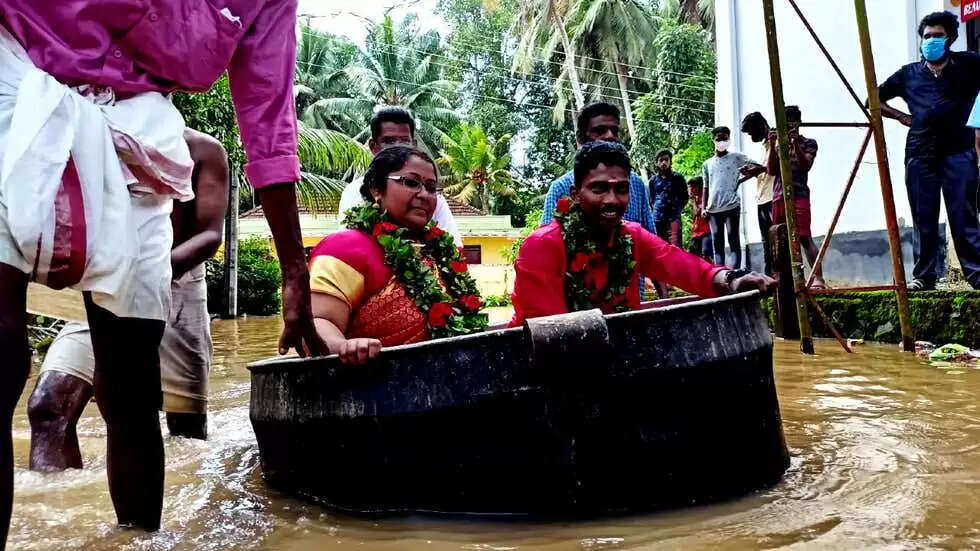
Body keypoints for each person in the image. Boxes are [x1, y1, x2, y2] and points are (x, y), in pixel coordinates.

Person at [0, 2, 323, 540]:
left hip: (141, 157)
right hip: (14, 82)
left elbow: (267, 123)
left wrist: (295, 270)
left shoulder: (200, 148)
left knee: (132, 388)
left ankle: (137, 539)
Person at [27, 129, 228, 472]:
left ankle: (166, 516)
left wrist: (147, 273)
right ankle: (60, 516)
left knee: (186, 434)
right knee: (48, 406)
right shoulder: (87, 132)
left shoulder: (202, 149)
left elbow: (210, 236)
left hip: (178, 290)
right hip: (102, 283)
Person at [510, 141, 775, 326]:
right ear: (576, 195)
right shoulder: (542, 246)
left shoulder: (630, 236)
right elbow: (555, 336)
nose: (612, 200)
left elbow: (683, 265)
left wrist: (731, 279)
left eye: (621, 189)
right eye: (599, 189)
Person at [310, 146, 486, 366]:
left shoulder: (441, 253)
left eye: (431, 188)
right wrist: (344, 346)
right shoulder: (345, 248)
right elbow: (316, 322)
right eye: (411, 183)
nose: (424, 195)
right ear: (377, 189)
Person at [878, 11, 980, 291]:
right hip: (920, 154)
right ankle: (925, 276)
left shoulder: (969, 65)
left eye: (937, 36)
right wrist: (900, 116)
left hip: (959, 151)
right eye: (926, 36)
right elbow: (872, 99)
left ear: (950, 39)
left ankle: (976, 273)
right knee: (923, 216)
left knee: (963, 214)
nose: (931, 41)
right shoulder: (908, 74)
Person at [338, 106, 462, 247]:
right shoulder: (354, 192)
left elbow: (454, 251)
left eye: (404, 141)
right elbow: (349, 246)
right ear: (374, 146)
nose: (398, 147)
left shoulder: (432, 196)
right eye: (389, 141)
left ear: (414, 145)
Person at [765, 106, 826, 288]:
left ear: (798, 122)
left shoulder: (809, 143)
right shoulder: (777, 146)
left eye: (791, 122)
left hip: (798, 194)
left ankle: (818, 277)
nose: (788, 126)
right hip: (778, 195)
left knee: (804, 237)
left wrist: (795, 143)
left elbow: (805, 165)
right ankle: (785, 279)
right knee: (780, 237)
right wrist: (772, 145)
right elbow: (771, 170)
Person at [701, 126, 752, 269]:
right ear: (714, 140)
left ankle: (735, 272)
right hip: (713, 209)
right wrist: (703, 208)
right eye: (719, 139)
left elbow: (759, 167)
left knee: (733, 238)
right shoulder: (707, 164)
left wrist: (740, 179)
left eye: (725, 139)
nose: (721, 142)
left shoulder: (737, 157)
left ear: (729, 139)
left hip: (731, 206)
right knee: (717, 242)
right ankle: (721, 273)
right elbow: (706, 186)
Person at [740, 112, 776, 275]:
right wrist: (753, 171)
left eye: (751, 133)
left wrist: (759, 169)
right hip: (762, 197)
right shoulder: (764, 145)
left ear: (761, 127)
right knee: (766, 242)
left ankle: (777, 275)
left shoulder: (775, 141)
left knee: (776, 240)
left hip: (773, 197)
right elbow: (765, 169)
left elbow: (774, 168)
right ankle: (769, 275)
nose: (750, 136)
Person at [650, 149, 688, 247]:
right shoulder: (653, 181)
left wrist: (677, 209)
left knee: (676, 248)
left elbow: (684, 197)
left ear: (670, 161)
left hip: (674, 219)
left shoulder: (678, 178)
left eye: (666, 160)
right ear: (656, 163)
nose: (664, 162)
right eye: (661, 160)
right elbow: (651, 199)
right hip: (658, 219)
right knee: (660, 247)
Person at [687, 177, 713, 261]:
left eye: (692, 187)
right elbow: (695, 213)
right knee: (693, 253)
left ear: (697, 187)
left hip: (706, 231)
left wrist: (694, 200)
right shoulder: (696, 198)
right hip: (697, 231)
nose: (690, 189)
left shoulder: (705, 198)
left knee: (706, 254)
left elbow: (699, 211)